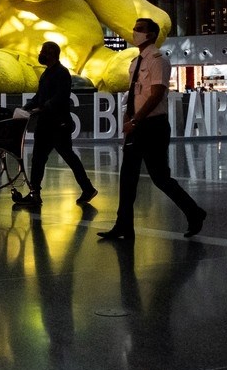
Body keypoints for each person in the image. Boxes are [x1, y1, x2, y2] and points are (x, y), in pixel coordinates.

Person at [99, 18, 206, 240]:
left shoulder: (158, 60)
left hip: (152, 126)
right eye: (134, 28)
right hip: (137, 125)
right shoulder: (135, 62)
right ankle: (124, 226)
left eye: (139, 30)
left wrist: (136, 120)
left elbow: (157, 93)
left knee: (160, 177)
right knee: (127, 176)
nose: (134, 32)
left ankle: (194, 212)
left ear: (150, 35)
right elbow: (135, 94)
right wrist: (129, 117)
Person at [14, 41, 96, 206]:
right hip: (46, 124)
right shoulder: (47, 73)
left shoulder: (61, 73)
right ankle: (35, 192)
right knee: (39, 158)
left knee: (67, 157)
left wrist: (41, 108)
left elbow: (60, 97)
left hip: (58, 125)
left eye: (43, 51)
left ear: (51, 54)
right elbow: (40, 96)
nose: (40, 54)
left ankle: (87, 188)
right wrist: (26, 107)